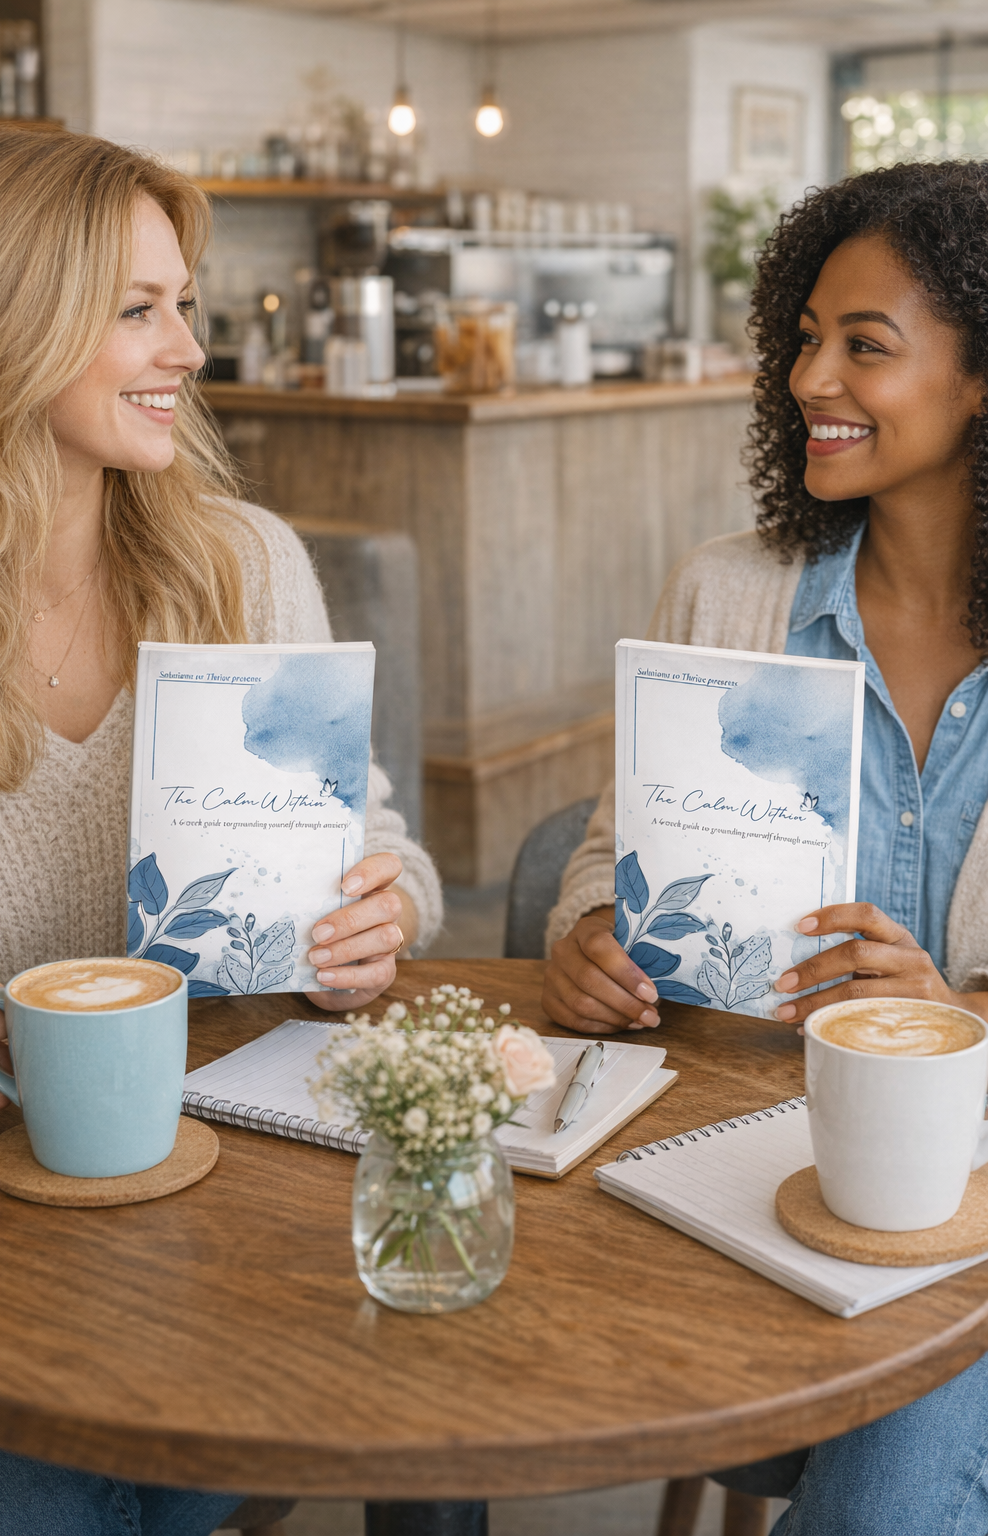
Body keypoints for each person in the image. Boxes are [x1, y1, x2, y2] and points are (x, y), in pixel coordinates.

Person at [0, 128, 442, 1535]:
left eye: (185, 304)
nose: (188, 347)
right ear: (5, 315)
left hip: (222, 1196)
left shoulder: (240, 564)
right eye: (137, 309)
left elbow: (385, 847)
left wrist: (380, 918)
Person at [543, 159, 988, 1534]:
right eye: (805, 338)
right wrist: (584, 947)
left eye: (867, 346)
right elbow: (606, 854)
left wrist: (953, 1023)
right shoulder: (726, 592)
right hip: (729, 1156)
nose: (810, 380)